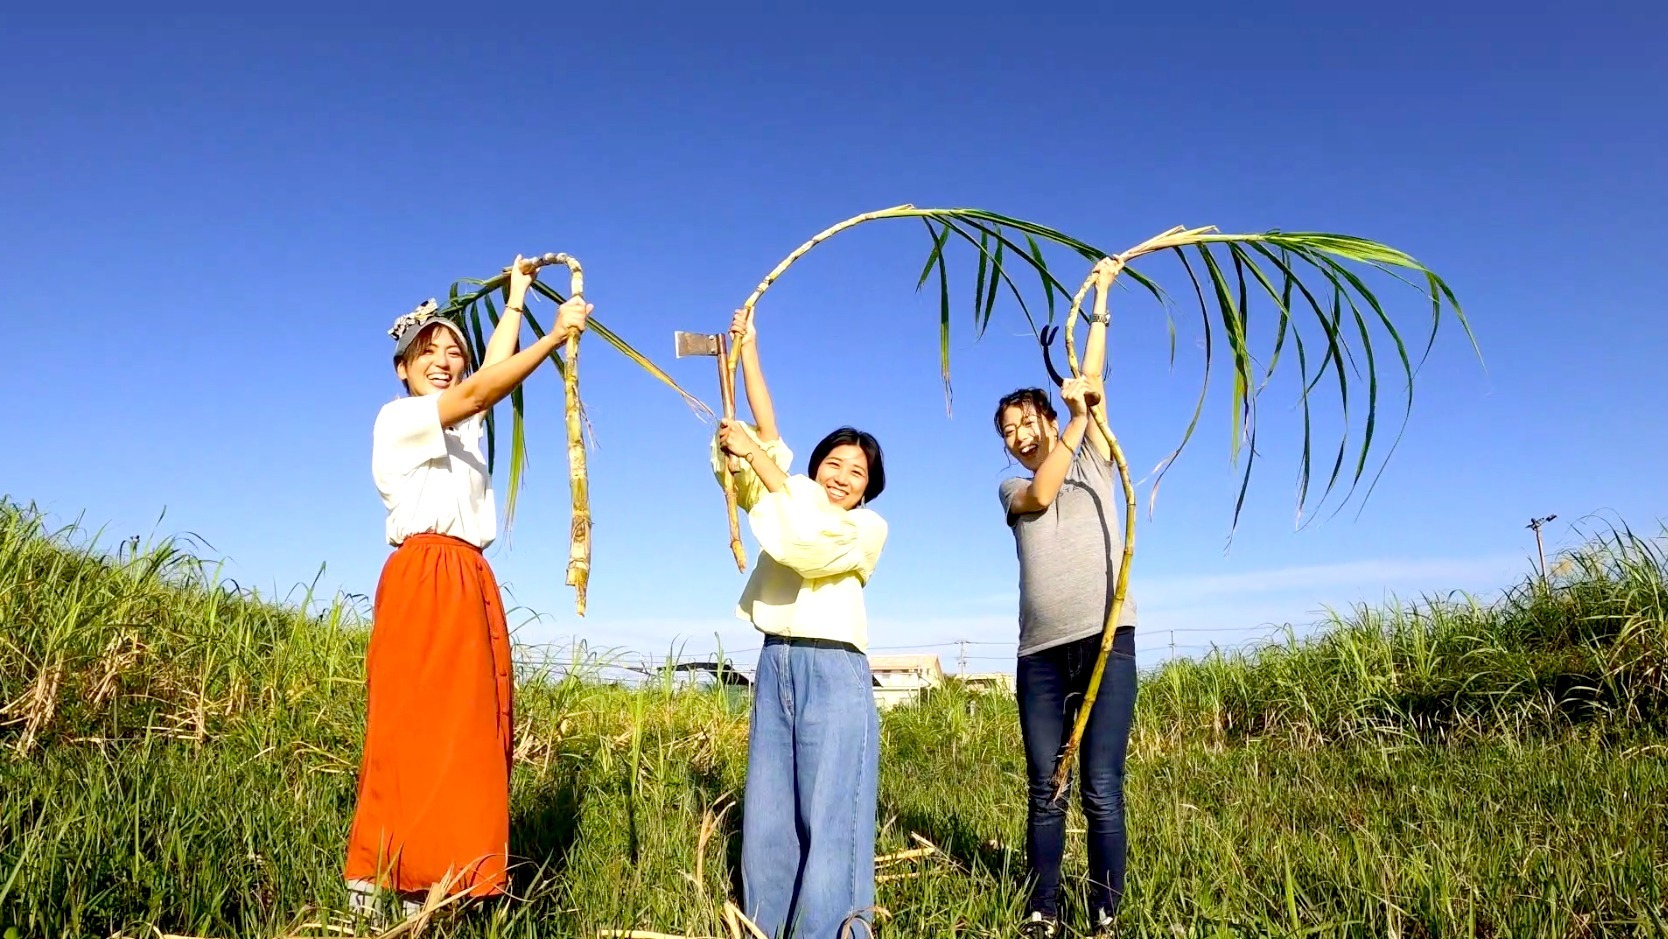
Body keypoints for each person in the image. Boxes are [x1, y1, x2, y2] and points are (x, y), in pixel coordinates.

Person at [344, 257, 592, 917]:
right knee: (412, 724)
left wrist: (515, 301)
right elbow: (480, 391)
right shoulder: (400, 419)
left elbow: (484, 381)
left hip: (468, 574)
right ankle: (380, 876)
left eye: (454, 351)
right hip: (424, 573)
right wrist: (554, 336)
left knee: (471, 730)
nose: (444, 360)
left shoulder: (460, 427)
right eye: (428, 351)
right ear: (403, 368)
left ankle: (446, 878)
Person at [713, 308, 889, 939]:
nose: (842, 477)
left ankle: (835, 930)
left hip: (834, 667)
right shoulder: (789, 493)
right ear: (815, 467)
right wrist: (748, 351)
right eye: (834, 464)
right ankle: (768, 926)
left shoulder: (865, 528)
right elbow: (767, 435)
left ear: (868, 488)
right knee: (770, 812)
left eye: (856, 472)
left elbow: (806, 542)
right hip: (776, 660)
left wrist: (757, 459)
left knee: (833, 811)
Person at [994, 259, 1137, 939]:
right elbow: (1044, 491)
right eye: (1009, 430)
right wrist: (1075, 421)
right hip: (1040, 655)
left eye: (1028, 420)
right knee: (1046, 786)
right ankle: (1043, 909)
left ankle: (1105, 911)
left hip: (1107, 642)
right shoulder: (1011, 489)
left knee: (1101, 787)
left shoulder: (1097, 455)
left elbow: (1093, 376)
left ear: (1047, 416)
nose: (1020, 434)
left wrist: (1102, 297)